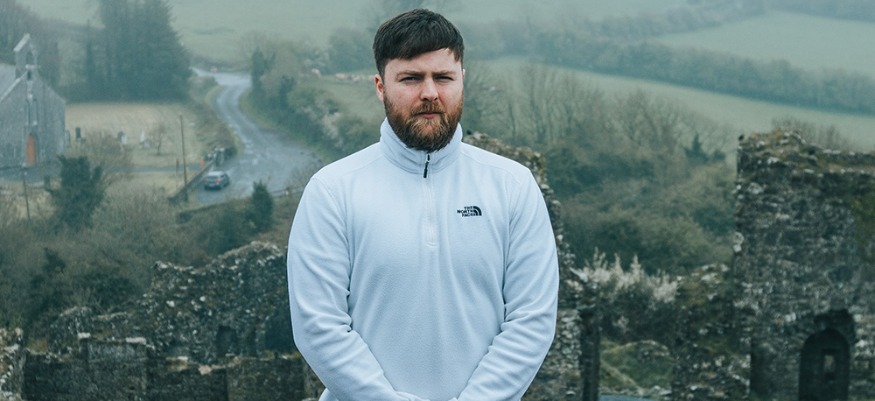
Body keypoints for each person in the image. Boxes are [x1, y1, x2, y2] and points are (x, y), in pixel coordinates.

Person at [287, 8, 559, 401]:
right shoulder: (332, 191)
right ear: (380, 86)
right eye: (411, 78)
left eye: (443, 77)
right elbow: (318, 326)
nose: (430, 92)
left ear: (462, 80)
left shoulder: (512, 186)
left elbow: (531, 320)